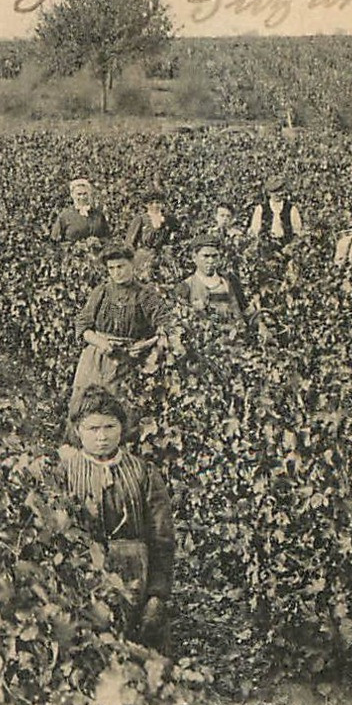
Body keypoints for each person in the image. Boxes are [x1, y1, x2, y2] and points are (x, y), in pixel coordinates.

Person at [58, 386, 175, 650]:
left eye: (109, 427)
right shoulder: (64, 472)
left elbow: (162, 537)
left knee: (142, 654)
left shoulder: (143, 472)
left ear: (122, 428)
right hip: (85, 576)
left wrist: (157, 594)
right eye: (93, 429)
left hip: (136, 577)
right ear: (78, 431)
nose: (102, 437)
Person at [68, 242, 173, 406]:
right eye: (111, 268)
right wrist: (100, 342)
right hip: (95, 358)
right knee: (84, 406)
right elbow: (83, 325)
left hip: (127, 360)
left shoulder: (144, 294)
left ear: (132, 264)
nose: (116, 273)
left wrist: (147, 344)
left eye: (121, 266)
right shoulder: (101, 292)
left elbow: (164, 323)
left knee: (117, 409)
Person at [176, 234, 251, 321]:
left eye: (214, 256)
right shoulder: (186, 286)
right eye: (206, 256)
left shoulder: (230, 280)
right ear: (194, 257)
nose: (210, 261)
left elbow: (246, 311)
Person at [124, 188, 182, 277]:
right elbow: (129, 243)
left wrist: (170, 248)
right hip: (143, 258)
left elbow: (177, 236)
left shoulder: (169, 219)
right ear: (146, 205)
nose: (155, 205)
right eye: (151, 203)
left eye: (158, 202)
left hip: (162, 257)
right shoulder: (140, 219)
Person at [49, 177, 111, 244]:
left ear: (89, 194)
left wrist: (98, 241)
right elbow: (54, 242)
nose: (82, 197)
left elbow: (107, 238)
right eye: (79, 194)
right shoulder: (64, 216)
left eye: (85, 194)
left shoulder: (98, 215)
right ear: (72, 195)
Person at [246, 174, 305, 244]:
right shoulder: (260, 209)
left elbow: (297, 231)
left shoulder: (291, 209)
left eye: (280, 191)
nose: (277, 194)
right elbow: (255, 231)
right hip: (266, 246)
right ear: (269, 193)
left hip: (286, 246)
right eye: (274, 191)